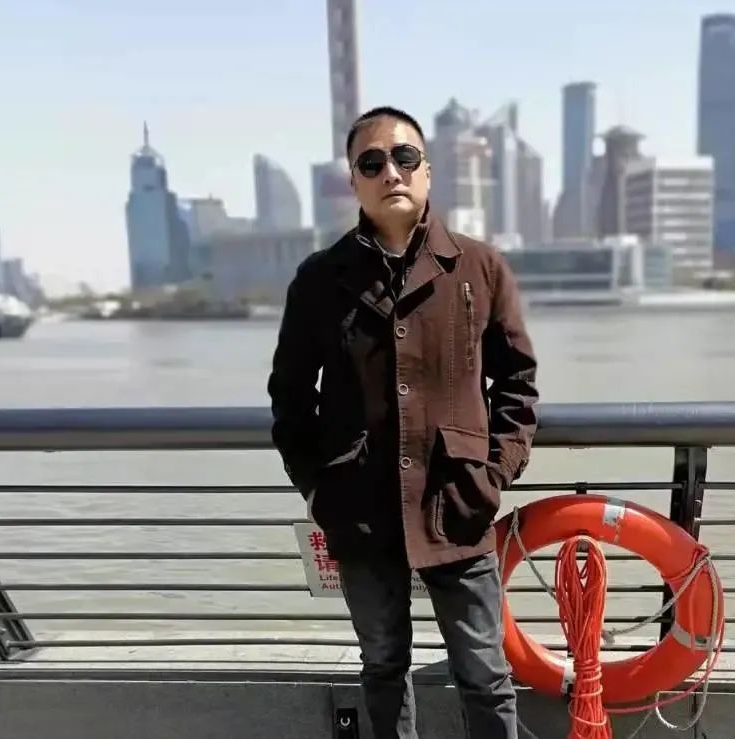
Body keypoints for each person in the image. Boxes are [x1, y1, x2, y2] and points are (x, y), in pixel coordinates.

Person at [267, 105, 539, 739]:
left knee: (486, 673)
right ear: (354, 181)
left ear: (427, 170)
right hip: (359, 507)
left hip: (458, 502)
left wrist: (493, 475)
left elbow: (517, 384)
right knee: (384, 666)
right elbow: (290, 395)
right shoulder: (320, 280)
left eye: (404, 157)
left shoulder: (479, 268)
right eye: (371, 162)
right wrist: (317, 487)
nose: (390, 171)